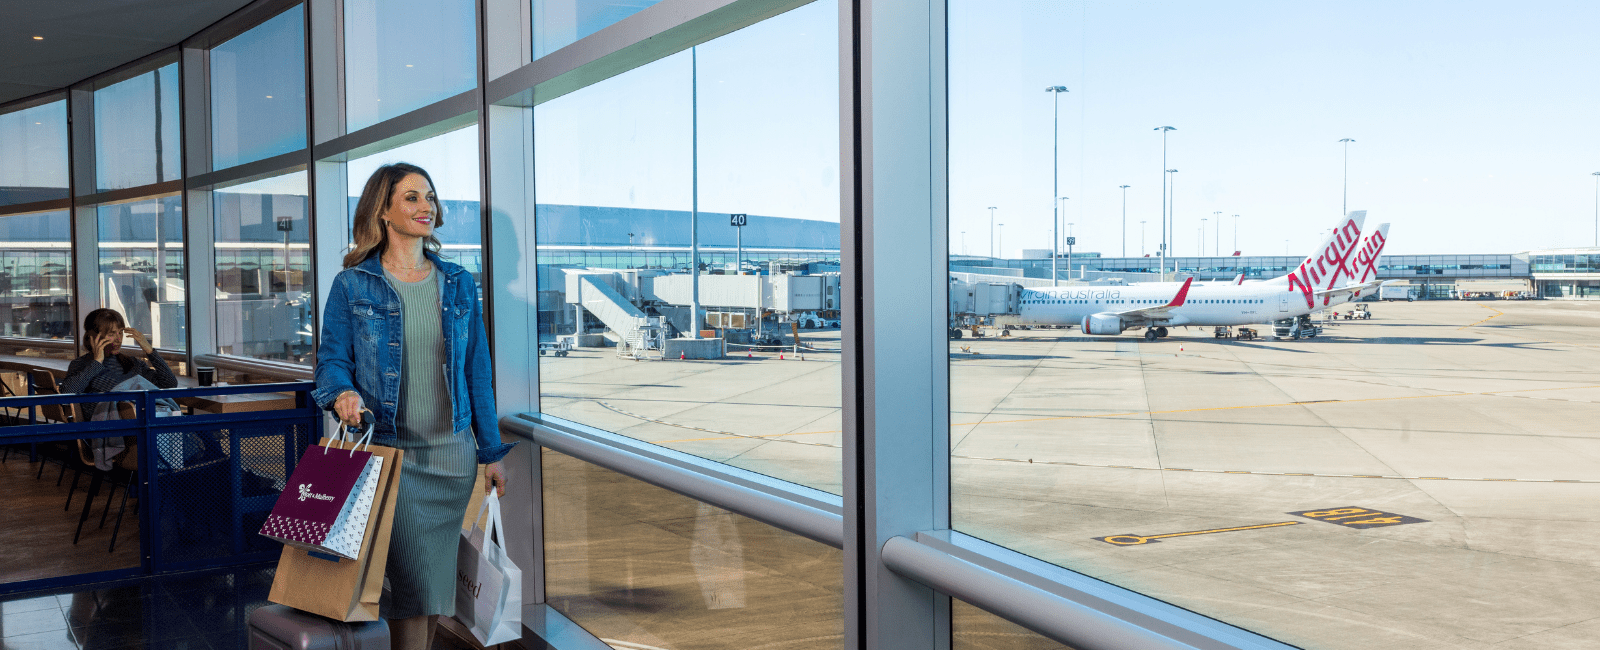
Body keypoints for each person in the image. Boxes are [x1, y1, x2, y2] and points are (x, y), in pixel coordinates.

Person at [313, 162, 514, 650]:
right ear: (382, 210)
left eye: (430, 196)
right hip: (390, 458)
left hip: (451, 460)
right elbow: (331, 362)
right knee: (412, 588)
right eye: (411, 197)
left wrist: (490, 451)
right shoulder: (353, 285)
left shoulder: (458, 284)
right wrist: (342, 393)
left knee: (430, 592)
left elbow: (477, 373)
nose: (426, 206)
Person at [61, 308, 178, 422]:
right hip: (108, 431)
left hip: (141, 428)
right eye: (112, 333)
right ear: (94, 337)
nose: (118, 339)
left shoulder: (133, 363)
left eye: (121, 332)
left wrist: (149, 350)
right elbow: (66, 395)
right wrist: (97, 362)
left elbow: (169, 384)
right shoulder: (82, 365)